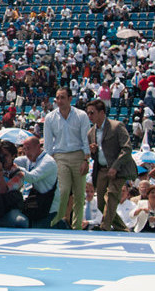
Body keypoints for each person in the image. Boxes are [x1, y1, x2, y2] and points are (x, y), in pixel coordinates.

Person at [44, 86, 91, 230]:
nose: (59, 101)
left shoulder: (81, 115)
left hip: (78, 156)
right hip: (60, 157)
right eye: (57, 98)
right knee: (63, 191)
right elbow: (47, 144)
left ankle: (76, 227)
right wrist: (51, 162)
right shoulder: (49, 117)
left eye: (62, 97)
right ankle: (58, 222)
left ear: (70, 99)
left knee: (79, 194)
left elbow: (86, 139)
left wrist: (86, 160)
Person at [86, 99, 137, 231]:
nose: (89, 116)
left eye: (92, 113)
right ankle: (122, 228)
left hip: (119, 169)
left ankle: (105, 226)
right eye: (88, 113)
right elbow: (94, 155)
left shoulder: (117, 126)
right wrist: (92, 151)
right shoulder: (91, 132)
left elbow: (127, 149)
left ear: (102, 112)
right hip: (102, 169)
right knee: (101, 203)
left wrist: (115, 166)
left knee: (112, 196)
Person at [15, 136, 60, 228]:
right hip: (37, 203)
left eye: (28, 149)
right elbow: (14, 160)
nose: (26, 152)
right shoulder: (30, 158)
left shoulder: (48, 162)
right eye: (24, 149)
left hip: (48, 206)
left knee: (39, 232)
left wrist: (16, 168)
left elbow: (32, 177)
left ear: (38, 147)